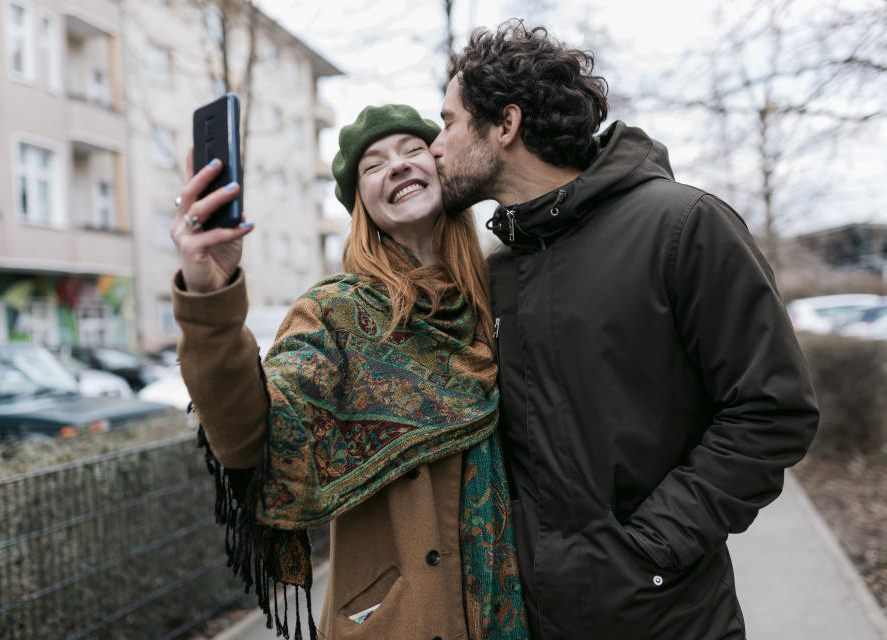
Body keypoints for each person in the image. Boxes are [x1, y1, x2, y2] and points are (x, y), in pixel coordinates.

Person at [428, 21, 820, 640]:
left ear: (505, 125)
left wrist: (652, 549)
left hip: (667, 617)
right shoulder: (496, 271)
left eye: (447, 122)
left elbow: (772, 411)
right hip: (529, 620)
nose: (435, 146)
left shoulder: (684, 227)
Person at [170, 105, 528, 640]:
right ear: (360, 203)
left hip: (514, 607)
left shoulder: (500, 293)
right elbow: (253, 436)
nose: (399, 166)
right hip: (398, 619)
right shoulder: (334, 314)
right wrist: (209, 296)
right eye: (374, 165)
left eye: (413, 151)